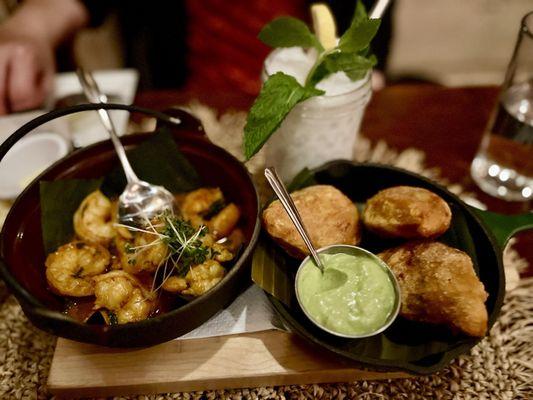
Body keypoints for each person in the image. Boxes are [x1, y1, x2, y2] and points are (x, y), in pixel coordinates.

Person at [0, 0, 391, 115]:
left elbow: (366, 18)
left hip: (310, 97)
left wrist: (363, 72)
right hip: (186, 98)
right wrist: (31, 27)